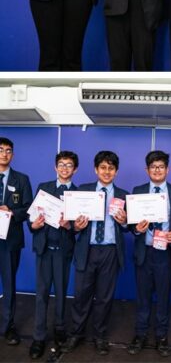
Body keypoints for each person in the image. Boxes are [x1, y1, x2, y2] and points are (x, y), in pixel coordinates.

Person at [61, 151, 128, 356]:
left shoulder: (124, 195)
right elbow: (72, 224)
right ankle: (76, 334)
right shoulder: (83, 190)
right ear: (95, 169)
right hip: (87, 250)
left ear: (116, 172)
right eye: (103, 167)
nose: (106, 172)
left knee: (104, 298)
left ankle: (100, 336)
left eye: (111, 168)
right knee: (81, 295)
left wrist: (124, 221)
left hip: (110, 251)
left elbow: (128, 228)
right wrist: (77, 227)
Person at [127, 150, 171, 358]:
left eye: (161, 167)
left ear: (167, 169)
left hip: (166, 254)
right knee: (143, 298)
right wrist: (137, 227)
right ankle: (140, 334)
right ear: (147, 170)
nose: (157, 170)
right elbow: (130, 225)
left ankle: (162, 336)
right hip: (144, 252)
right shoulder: (137, 191)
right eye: (153, 167)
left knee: (164, 298)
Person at [27, 151, 79, 359]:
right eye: (61, 164)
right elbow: (32, 219)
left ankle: (59, 330)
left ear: (75, 169)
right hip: (44, 250)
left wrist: (71, 225)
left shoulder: (78, 193)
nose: (64, 168)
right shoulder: (43, 188)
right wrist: (34, 225)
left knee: (60, 294)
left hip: (63, 252)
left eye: (69, 165)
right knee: (41, 295)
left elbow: (80, 227)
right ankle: (39, 337)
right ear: (55, 167)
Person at [0, 138, 31, 347]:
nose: (4, 154)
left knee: (9, 285)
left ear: (13, 155)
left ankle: (7, 327)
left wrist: (11, 212)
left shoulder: (21, 179)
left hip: (10, 241)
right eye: (0, 150)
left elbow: (28, 208)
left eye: (9, 151)